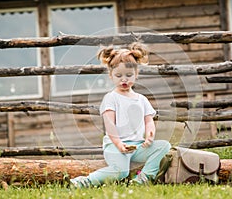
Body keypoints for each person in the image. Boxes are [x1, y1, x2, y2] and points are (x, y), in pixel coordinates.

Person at [70, 43, 171, 188]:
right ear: (111, 76)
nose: (124, 79)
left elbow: (149, 121)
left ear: (136, 74)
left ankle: (143, 179)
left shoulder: (141, 99)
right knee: (121, 172)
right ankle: (84, 181)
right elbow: (110, 125)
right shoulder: (111, 98)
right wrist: (118, 144)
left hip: (136, 146)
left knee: (163, 146)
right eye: (119, 75)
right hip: (115, 146)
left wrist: (150, 135)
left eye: (129, 75)